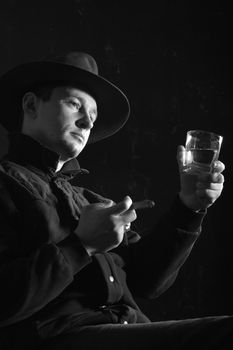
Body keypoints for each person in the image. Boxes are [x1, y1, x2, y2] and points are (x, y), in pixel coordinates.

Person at [0, 51, 232, 350]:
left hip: (124, 329)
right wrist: (82, 245)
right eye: (74, 104)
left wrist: (190, 206)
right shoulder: (4, 183)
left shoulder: (90, 201)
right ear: (31, 104)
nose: (86, 122)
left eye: (93, 117)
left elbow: (148, 282)